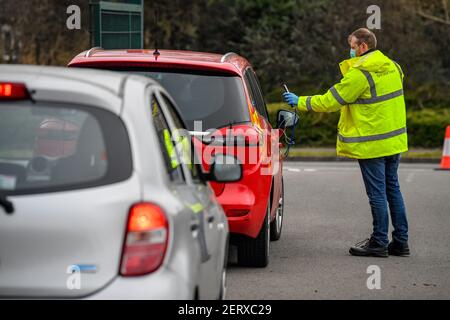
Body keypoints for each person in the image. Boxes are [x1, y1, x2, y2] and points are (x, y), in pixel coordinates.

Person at [283, 28, 410, 258]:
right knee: (393, 189)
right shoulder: (393, 66)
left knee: (377, 194)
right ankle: (401, 242)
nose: (349, 50)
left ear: (363, 46)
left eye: (352, 46)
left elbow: (331, 101)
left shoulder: (360, 74)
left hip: (372, 144)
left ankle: (379, 242)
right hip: (394, 141)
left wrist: (300, 101)